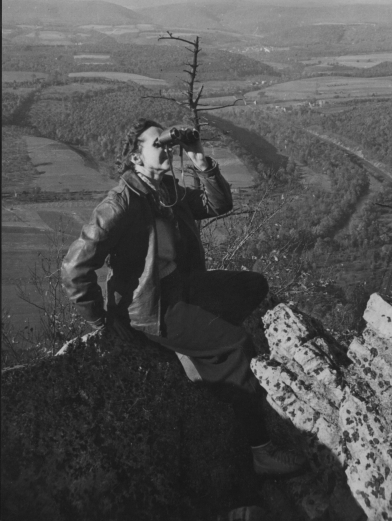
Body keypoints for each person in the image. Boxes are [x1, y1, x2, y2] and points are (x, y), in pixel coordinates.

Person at [61, 118, 307, 476]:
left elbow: (218, 204)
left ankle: (198, 353)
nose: (166, 148)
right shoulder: (121, 202)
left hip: (183, 286)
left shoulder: (167, 190)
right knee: (236, 344)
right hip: (151, 306)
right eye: (157, 144)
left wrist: (200, 160)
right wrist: (101, 320)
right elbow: (74, 267)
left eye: (166, 143)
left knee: (254, 285)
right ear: (135, 158)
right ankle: (259, 452)